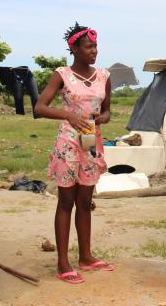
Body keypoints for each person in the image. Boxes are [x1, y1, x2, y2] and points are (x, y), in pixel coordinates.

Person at [34, 22, 113, 284]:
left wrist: (101, 117)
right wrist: (68, 114)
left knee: (85, 200)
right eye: (89, 47)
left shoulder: (104, 76)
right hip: (68, 140)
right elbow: (40, 107)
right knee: (66, 200)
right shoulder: (62, 75)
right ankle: (63, 263)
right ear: (75, 49)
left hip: (90, 138)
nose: (95, 51)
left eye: (96, 46)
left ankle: (86, 257)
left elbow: (107, 111)